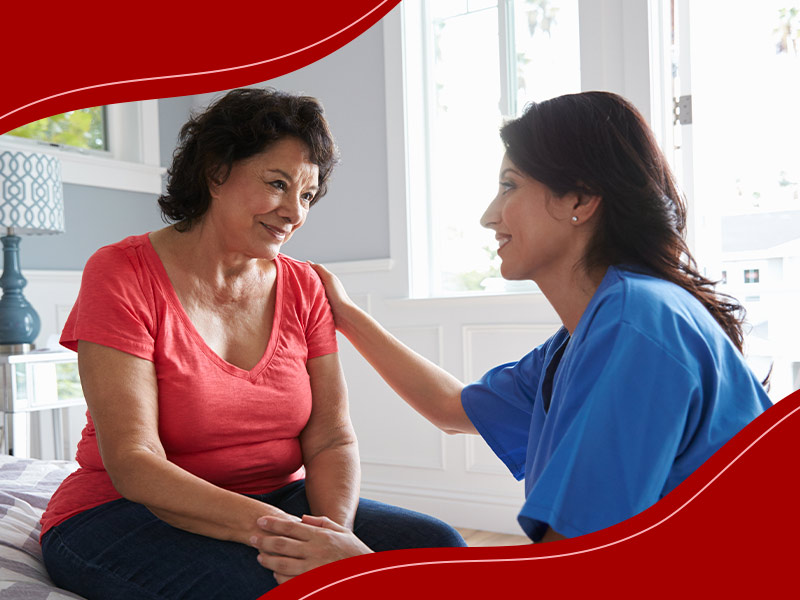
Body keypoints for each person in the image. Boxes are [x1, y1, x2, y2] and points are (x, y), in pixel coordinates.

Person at [249, 90, 772, 571]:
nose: (488, 215)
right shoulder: (584, 338)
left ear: (579, 200)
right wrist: (346, 313)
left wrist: (360, 569)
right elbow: (452, 408)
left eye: (510, 185)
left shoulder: (637, 327)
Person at [40, 87, 465, 600]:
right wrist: (288, 536)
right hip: (121, 512)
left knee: (438, 547)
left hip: (277, 498)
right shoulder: (120, 272)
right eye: (278, 184)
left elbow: (331, 438)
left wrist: (330, 540)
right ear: (217, 172)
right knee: (260, 589)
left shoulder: (304, 285)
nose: (294, 212)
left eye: (306, 195)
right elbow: (134, 459)